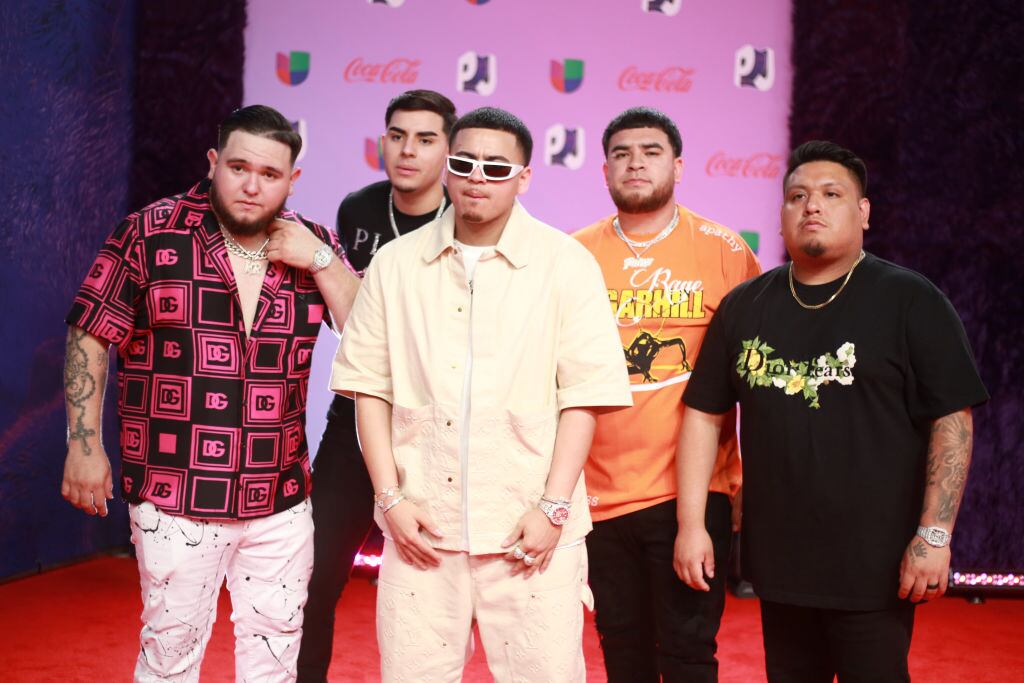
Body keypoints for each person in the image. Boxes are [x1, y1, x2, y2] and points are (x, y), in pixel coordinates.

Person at [331, 106, 632, 682]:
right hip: (421, 528)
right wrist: (390, 500)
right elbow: (368, 390)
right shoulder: (394, 264)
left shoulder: (567, 265)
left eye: (496, 168)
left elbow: (585, 397)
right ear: (447, 167)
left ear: (524, 177)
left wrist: (552, 507)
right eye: (464, 163)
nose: (477, 177)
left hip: (530, 531)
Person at [61, 104, 359, 682]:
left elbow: (369, 333)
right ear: (213, 161)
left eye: (269, 175)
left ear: (292, 179)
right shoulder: (149, 231)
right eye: (238, 168)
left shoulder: (313, 243)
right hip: (176, 490)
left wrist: (321, 259)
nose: (251, 186)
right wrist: (83, 443)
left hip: (280, 496)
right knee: (170, 655)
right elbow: (90, 332)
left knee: (276, 655)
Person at [675, 140, 988, 681]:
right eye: (797, 195)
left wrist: (934, 535)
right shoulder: (745, 306)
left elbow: (952, 419)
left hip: (876, 567)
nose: (811, 205)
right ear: (780, 216)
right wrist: (692, 524)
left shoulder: (910, 300)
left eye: (830, 193)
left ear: (863, 212)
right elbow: (704, 414)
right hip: (778, 564)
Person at [573, 107, 760, 682]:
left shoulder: (725, 251)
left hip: (691, 496)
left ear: (678, 166)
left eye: (651, 152)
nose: (636, 163)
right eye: (622, 153)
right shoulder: (573, 256)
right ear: (604, 170)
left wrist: (749, 490)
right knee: (622, 652)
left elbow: (756, 380)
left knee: (685, 654)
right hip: (597, 499)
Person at [297, 88, 456, 683]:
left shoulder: (467, 217)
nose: (407, 150)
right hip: (357, 414)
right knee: (315, 571)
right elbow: (350, 322)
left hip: (438, 424)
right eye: (397, 136)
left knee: (433, 582)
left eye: (425, 138)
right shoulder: (357, 210)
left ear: (449, 149)